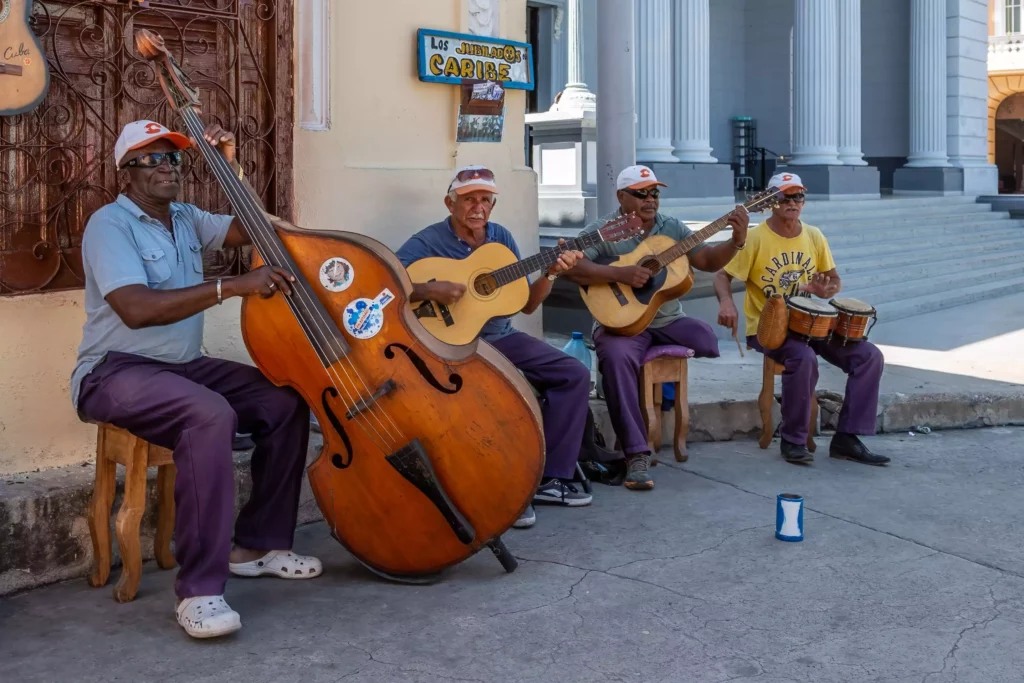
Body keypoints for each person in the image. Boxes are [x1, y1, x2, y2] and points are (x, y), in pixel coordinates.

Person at [71, 120, 320, 640]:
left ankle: (257, 546)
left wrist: (229, 166)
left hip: (183, 365)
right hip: (115, 369)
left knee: (285, 400)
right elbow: (136, 309)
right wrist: (233, 286)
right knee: (209, 414)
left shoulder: (186, 217)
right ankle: (200, 591)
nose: (168, 167)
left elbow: (258, 227)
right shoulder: (109, 225)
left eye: (175, 158)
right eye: (154, 159)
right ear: (127, 172)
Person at [396, 166, 591, 528]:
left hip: (501, 339)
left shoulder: (500, 238)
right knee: (497, 396)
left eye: (486, 199)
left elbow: (527, 304)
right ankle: (505, 487)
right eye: (469, 198)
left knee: (574, 374)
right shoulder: (426, 241)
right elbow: (385, 283)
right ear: (449, 202)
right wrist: (426, 290)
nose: (479, 207)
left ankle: (549, 478)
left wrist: (551, 273)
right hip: (449, 344)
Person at [563, 165, 749, 491]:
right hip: (621, 324)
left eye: (655, 193)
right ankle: (636, 454)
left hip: (666, 320)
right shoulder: (605, 229)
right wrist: (620, 275)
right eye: (641, 193)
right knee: (616, 358)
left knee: (706, 339)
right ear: (621, 197)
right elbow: (572, 264)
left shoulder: (671, 227)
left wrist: (736, 240)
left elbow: (705, 260)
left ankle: (659, 395)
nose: (651, 199)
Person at [713, 172, 889, 466]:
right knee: (803, 358)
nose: (792, 202)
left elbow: (834, 282)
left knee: (869, 356)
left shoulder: (814, 236)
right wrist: (727, 302)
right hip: (769, 328)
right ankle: (793, 439)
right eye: (785, 197)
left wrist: (826, 289)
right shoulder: (756, 237)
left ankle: (848, 437)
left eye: (798, 196)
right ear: (771, 202)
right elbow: (722, 275)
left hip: (812, 324)